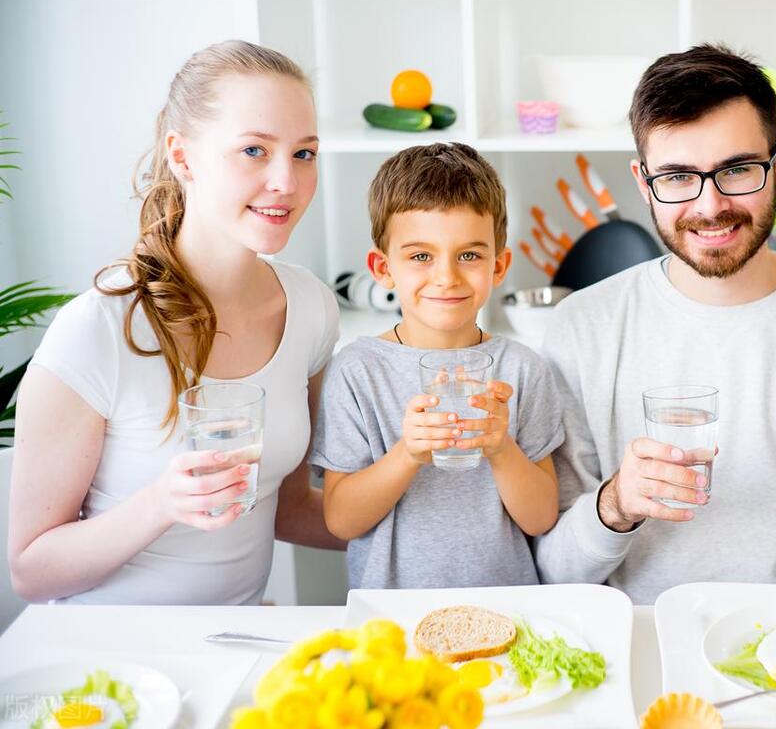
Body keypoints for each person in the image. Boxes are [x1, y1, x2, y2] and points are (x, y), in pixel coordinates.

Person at [534, 44, 776, 604]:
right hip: (626, 639)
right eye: (679, 176)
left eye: (736, 170)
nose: (709, 206)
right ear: (643, 182)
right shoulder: (581, 326)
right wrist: (616, 505)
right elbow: (553, 576)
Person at [10, 40, 343, 604]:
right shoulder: (98, 330)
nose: (286, 181)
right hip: (115, 667)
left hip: (238, 641)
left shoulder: (310, 309)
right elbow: (31, 572)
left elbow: (290, 513)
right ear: (183, 157)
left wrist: (444, 508)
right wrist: (162, 504)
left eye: (304, 154)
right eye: (255, 151)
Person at [311, 143, 561, 589]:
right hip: (393, 620)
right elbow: (341, 520)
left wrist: (501, 448)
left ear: (499, 265)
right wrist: (407, 453)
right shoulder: (358, 371)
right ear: (382, 268)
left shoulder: (523, 369)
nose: (446, 277)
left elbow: (541, 518)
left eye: (469, 255)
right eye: (421, 256)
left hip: (507, 609)